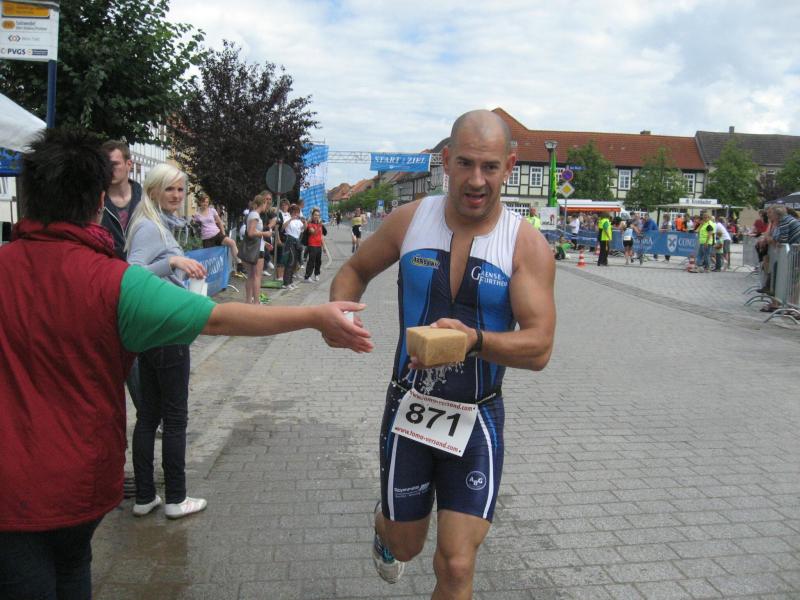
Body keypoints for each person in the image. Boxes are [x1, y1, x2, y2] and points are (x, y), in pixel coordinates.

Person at [0, 128, 373, 598]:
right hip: (80, 479)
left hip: (11, 490)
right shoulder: (114, 282)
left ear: (27, 196)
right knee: (74, 569)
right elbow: (217, 318)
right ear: (98, 200)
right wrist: (314, 316)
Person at [328, 109, 556, 599]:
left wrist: (475, 341)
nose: (476, 180)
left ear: (509, 166)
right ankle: (386, 525)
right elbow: (353, 271)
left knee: (456, 563)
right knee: (406, 545)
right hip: (409, 406)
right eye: (466, 163)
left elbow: (539, 347)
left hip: (477, 416)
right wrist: (339, 314)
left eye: (490, 167)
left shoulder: (525, 245)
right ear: (447, 160)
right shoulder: (411, 220)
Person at [100, 140, 143, 259]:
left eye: (114, 164)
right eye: (106, 165)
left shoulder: (145, 199)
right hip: (107, 267)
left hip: (140, 267)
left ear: (129, 164)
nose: (110, 169)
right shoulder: (94, 201)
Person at [758, 205, 800, 312]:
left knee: (788, 277)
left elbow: (782, 239)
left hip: (795, 252)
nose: (768, 215)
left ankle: (787, 305)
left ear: (776, 215)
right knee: (779, 272)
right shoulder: (784, 221)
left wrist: (771, 239)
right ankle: (783, 303)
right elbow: (777, 238)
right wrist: (772, 239)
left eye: (770, 213)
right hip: (793, 251)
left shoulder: (784, 222)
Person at [242, 193, 274, 304]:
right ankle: (256, 302)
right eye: (266, 203)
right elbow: (251, 233)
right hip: (257, 250)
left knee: (251, 276)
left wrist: (264, 243)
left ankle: (249, 301)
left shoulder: (252, 214)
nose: (266, 206)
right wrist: (266, 234)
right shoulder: (255, 215)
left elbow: (253, 233)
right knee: (257, 276)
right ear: (263, 203)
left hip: (257, 247)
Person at [192, 193, 239, 263]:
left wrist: (223, 234)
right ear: (200, 202)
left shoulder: (212, 210)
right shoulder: (197, 215)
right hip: (207, 239)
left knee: (232, 242)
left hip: (217, 234)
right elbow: (195, 227)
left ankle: (239, 263)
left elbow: (219, 222)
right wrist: (194, 224)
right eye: (204, 202)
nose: (205, 204)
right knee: (211, 259)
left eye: (207, 202)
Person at [281, 203, 304, 289]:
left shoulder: (298, 221)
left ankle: (290, 281)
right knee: (290, 262)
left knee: (294, 263)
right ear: (291, 212)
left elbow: (302, 229)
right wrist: (291, 219)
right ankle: (286, 283)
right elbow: (283, 228)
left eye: (297, 211)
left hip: (296, 241)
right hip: (290, 241)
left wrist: (305, 222)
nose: (296, 213)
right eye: (295, 211)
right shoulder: (287, 218)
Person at [303, 208, 327, 282]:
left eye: (318, 215)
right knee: (311, 261)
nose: (317, 216)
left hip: (319, 245)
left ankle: (316, 274)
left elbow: (321, 236)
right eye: (315, 215)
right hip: (312, 245)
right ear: (312, 216)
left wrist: (324, 247)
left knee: (318, 261)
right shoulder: (310, 224)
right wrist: (319, 225)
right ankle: (307, 277)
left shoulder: (320, 225)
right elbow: (313, 232)